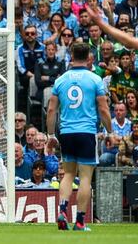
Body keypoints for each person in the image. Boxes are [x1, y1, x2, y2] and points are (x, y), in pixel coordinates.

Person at [46, 42, 112, 232]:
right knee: (85, 178)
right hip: (86, 132)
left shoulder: (61, 80)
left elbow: (51, 110)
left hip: (66, 132)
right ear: (89, 56)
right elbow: (103, 108)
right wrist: (110, 131)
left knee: (68, 174)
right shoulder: (95, 79)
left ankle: (62, 211)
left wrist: (51, 134)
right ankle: (80, 221)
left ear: (71, 55)